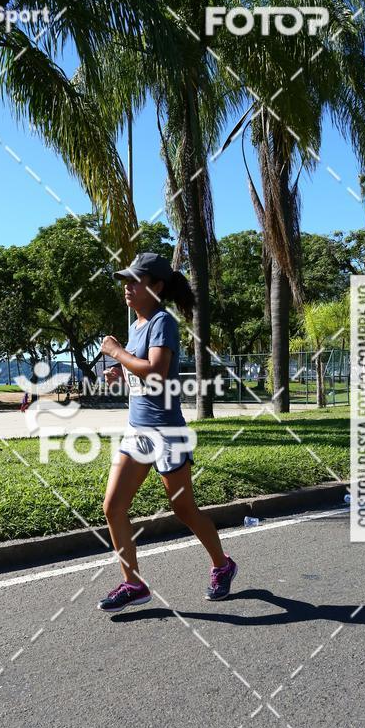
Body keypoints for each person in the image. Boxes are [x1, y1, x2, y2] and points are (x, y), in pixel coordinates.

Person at [97, 252, 238, 614]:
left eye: (135, 281)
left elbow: (157, 371)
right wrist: (120, 372)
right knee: (113, 506)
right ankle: (134, 584)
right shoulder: (138, 325)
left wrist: (115, 352)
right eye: (125, 281)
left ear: (156, 286)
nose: (127, 287)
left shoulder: (163, 322)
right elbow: (141, 371)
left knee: (184, 507)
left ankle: (222, 564)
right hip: (138, 432)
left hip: (167, 432)